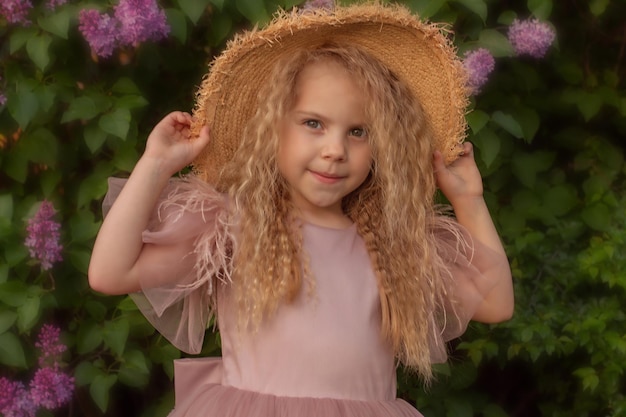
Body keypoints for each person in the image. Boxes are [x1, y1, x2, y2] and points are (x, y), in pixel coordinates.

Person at [89, 3, 513, 416]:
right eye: (313, 123)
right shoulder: (234, 225)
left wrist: (468, 200)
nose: (335, 151)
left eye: (358, 132)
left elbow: (495, 304)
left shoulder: (392, 242)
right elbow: (111, 273)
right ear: (273, 129)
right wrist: (156, 166)